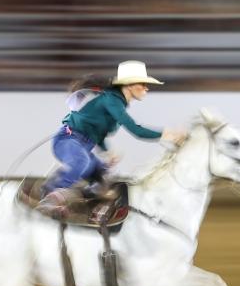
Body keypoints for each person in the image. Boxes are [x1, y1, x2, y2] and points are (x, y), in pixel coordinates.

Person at [37, 60, 187, 216]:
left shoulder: (115, 102)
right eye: (142, 84)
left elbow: (97, 134)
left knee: (102, 173)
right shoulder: (112, 101)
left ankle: (83, 204)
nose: (146, 87)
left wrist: (107, 152)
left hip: (80, 145)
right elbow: (136, 130)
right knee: (82, 162)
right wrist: (166, 134)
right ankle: (50, 195)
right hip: (66, 140)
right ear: (129, 85)